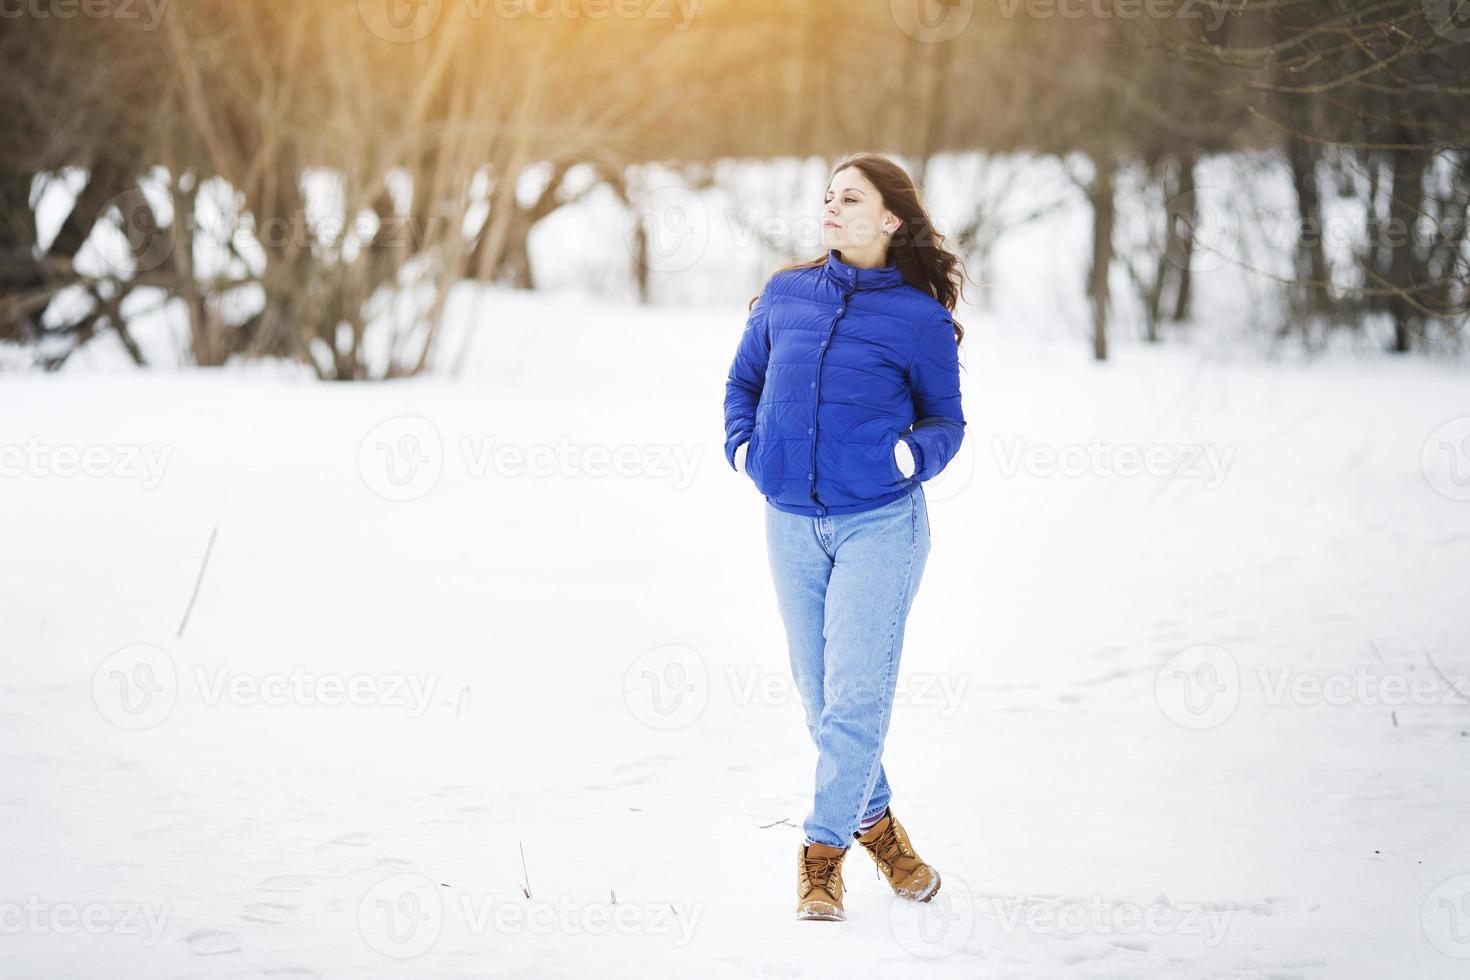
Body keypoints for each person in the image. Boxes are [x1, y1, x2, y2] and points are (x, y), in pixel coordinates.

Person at [722, 152, 968, 921]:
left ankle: (821, 855)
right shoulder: (787, 295)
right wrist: (744, 450)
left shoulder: (920, 319)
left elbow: (946, 422)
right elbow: (742, 385)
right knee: (823, 702)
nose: (830, 208)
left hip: (880, 527)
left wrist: (905, 455)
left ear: (890, 219)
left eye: (849, 198)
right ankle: (883, 830)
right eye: (828, 196)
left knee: (855, 700)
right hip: (790, 522)